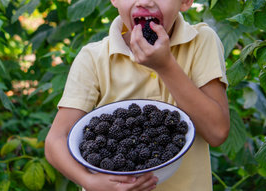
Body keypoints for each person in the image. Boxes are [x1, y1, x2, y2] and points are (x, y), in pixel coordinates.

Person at [45, 0, 230, 190]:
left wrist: (165, 66)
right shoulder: (93, 58)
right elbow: (56, 140)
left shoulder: (200, 41)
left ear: (185, 2)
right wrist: (89, 181)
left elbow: (217, 132)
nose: (145, 1)